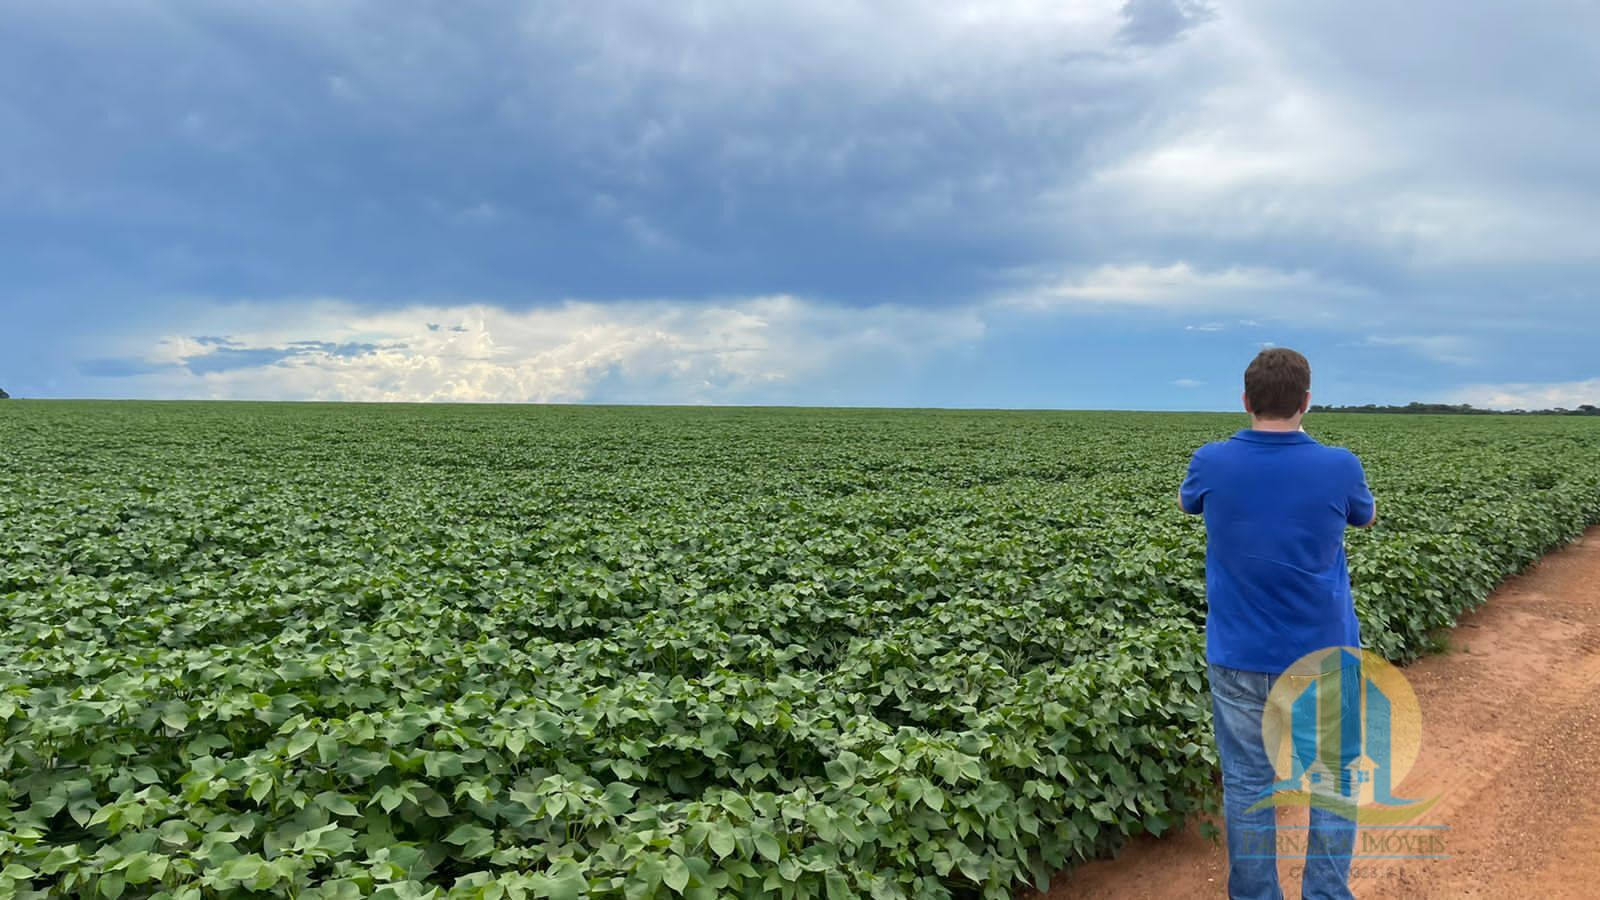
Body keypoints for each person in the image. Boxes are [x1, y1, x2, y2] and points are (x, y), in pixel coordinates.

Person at [1179, 347, 1377, 900]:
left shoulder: (1210, 461)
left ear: (1246, 401)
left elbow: (1186, 503)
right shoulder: (1340, 465)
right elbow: (1366, 516)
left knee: (1247, 784)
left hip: (1238, 655)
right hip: (1324, 657)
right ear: (1306, 402)